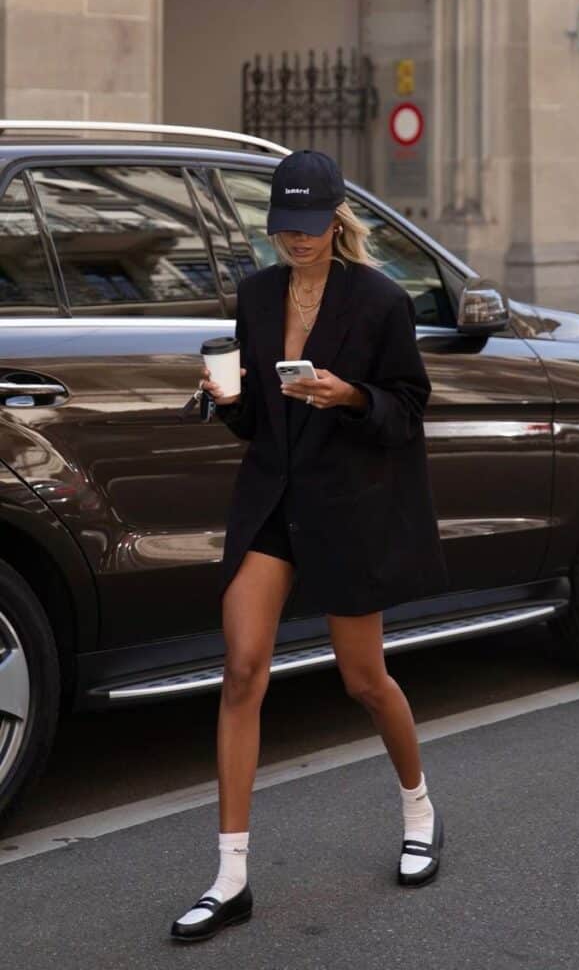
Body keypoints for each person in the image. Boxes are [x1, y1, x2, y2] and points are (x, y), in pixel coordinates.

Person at [171, 150, 450, 943]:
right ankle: (230, 878)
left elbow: (406, 408)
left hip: (344, 505)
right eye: (282, 229)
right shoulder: (257, 296)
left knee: (365, 680)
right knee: (240, 670)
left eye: (308, 228)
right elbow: (258, 418)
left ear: (335, 219)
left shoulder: (379, 300)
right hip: (271, 499)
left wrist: (348, 394)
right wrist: (220, 400)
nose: (295, 242)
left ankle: (419, 812)